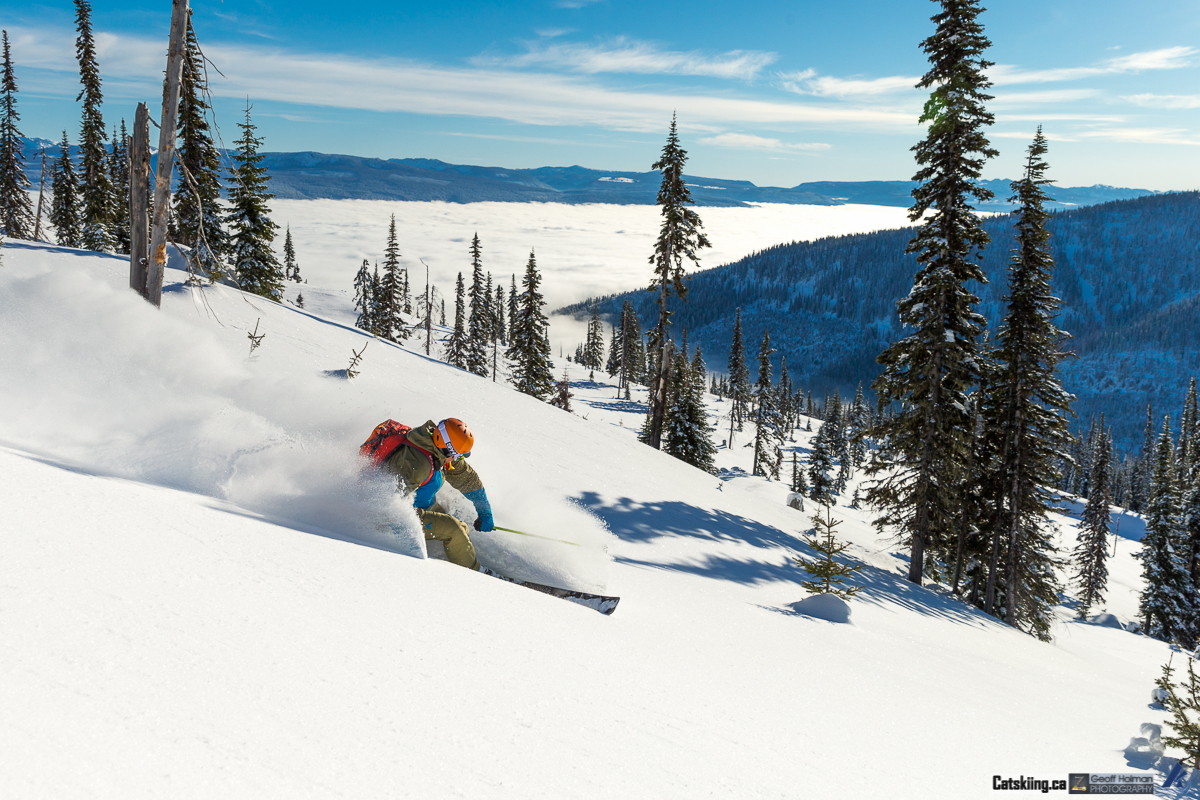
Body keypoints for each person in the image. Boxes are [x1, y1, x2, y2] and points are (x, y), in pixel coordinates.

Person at [382, 418, 493, 570]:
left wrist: (484, 511)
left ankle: (454, 558)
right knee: (454, 529)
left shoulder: (440, 453)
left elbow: (468, 480)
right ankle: (477, 574)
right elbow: (387, 505)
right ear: (447, 447)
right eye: (458, 455)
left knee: (461, 526)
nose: (457, 459)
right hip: (399, 515)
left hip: (420, 505)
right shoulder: (416, 462)